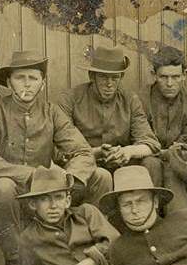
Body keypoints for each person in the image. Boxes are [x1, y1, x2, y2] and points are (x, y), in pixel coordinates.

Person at [0, 50, 105, 265]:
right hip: (11, 198)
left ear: (42, 84)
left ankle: (88, 251)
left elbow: (83, 152)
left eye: (33, 78)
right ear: (8, 83)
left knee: (100, 177)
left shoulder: (52, 113)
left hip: (47, 196)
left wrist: (65, 179)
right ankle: (16, 262)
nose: (27, 84)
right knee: (2, 187)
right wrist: (34, 175)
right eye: (20, 77)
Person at [60, 45, 163, 186]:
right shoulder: (70, 99)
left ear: (121, 77)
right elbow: (62, 147)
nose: (109, 84)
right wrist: (96, 152)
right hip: (86, 165)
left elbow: (151, 144)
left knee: (152, 163)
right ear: (92, 76)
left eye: (115, 78)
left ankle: (147, 201)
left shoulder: (130, 100)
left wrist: (128, 152)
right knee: (102, 175)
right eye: (103, 77)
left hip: (122, 164)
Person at [17, 166, 118, 265]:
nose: (53, 206)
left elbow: (114, 243)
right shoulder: (29, 237)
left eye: (58, 197)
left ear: (67, 201)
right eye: (44, 199)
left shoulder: (86, 213)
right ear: (33, 204)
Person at [143, 46, 187, 211]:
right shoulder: (142, 99)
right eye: (163, 77)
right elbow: (142, 136)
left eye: (175, 77)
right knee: (151, 164)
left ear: (184, 75)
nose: (170, 83)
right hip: (151, 156)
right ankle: (152, 215)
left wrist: (176, 152)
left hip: (178, 155)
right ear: (154, 75)